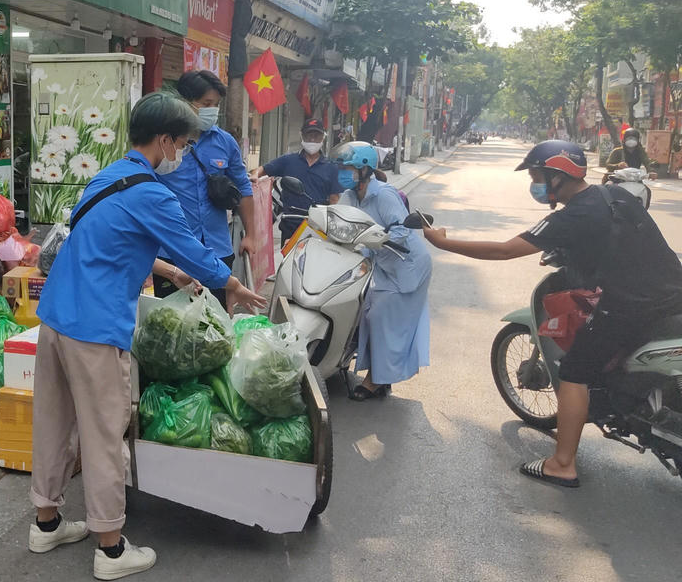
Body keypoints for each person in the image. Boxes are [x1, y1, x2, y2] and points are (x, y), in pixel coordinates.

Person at [28, 92, 265, 580]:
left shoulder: (109, 176)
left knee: (53, 423)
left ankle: (46, 523)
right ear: (164, 140)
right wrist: (233, 284)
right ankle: (111, 550)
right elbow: (198, 253)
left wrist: (167, 272)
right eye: (181, 143)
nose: (182, 153)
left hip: (54, 317)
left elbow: (106, 238)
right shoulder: (153, 192)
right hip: (94, 328)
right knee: (104, 435)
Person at [424, 140, 682, 488]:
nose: (535, 184)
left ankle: (562, 464)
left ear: (557, 177)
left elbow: (504, 251)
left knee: (575, 371)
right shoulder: (617, 196)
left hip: (629, 308)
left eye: (537, 177)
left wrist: (443, 242)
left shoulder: (573, 216)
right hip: (672, 295)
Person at [153, 70, 261, 308]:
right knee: (172, 324)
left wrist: (251, 235)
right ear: (183, 102)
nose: (212, 110)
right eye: (206, 104)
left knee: (217, 321)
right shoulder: (164, 142)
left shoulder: (225, 142)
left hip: (217, 250)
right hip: (172, 253)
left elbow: (243, 186)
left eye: (216, 105)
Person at [333, 142, 432, 400]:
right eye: (342, 167)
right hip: (381, 265)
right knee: (364, 312)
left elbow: (401, 229)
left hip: (407, 266)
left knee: (380, 318)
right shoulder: (351, 195)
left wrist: (374, 239)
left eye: (348, 167)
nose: (344, 172)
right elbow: (338, 219)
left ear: (365, 169)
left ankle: (376, 381)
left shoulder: (385, 195)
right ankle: (379, 376)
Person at [254, 119, 344, 243]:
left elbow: (334, 200)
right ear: (302, 136)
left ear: (323, 137)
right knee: (289, 261)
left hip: (318, 228)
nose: (312, 140)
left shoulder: (331, 167)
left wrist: (333, 227)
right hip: (290, 225)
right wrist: (254, 175)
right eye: (309, 135)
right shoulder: (288, 160)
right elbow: (263, 169)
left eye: (316, 136)